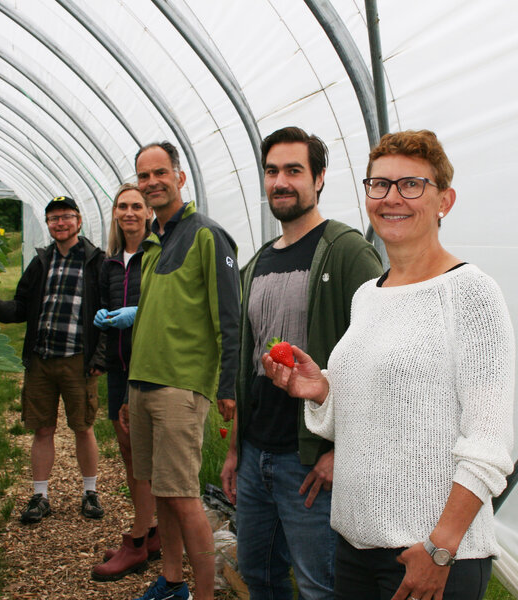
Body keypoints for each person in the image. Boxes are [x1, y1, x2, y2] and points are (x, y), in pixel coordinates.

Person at [262, 130, 515, 600]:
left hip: (429, 555)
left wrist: (440, 548)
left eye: (411, 185)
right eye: (379, 185)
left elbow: (488, 442)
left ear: (445, 200)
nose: (391, 198)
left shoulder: (470, 294)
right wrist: (322, 390)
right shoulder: (367, 296)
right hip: (356, 545)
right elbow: (376, 413)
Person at [220, 126, 383, 599]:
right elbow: (249, 364)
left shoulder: (347, 251)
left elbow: (376, 356)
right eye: (272, 171)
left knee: (321, 586)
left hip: (309, 458)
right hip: (256, 456)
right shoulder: (256, 263)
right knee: (260, 575)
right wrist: (236, 451)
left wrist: (341, 451)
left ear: (320, 179)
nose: (281, 182)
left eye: (294, 170)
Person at [128, 142, 241, 600]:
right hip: (144, 383)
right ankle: (172, 583)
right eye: (143, 176)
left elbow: (229, 317)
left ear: (180, 176)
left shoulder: (207, 235)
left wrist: (227, 386)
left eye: (160, 172)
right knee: (161, 491)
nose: (152, 182)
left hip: (180, 386)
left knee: (184, 495)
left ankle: (206, 594)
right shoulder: (154, 241)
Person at [0, 196, 107, 525]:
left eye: (66, 217)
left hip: (78, 359)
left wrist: (100, 356)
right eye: (54, 218)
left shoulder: (96, 261)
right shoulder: (41, 261)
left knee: (83, 427)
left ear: (79, 221)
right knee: (42, 429)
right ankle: (40, 495)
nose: (60, 223)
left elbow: (106, 313)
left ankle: (90, 492)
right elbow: (22, 306)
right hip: (41, 359)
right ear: (48, 224)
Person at [90, 183, 161, 581]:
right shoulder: (111, 263)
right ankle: (148, 528)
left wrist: (139, 312)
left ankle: (138, 536)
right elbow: (103, 306)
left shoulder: (156, 256)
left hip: (146, 365)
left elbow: (165, 305)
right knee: (126, 447)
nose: (130, 212)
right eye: (123, 206)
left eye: (137, 206)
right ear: (115, 214)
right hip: (119, 365)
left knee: (141, 448)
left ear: (148, 213)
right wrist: (105, 326)